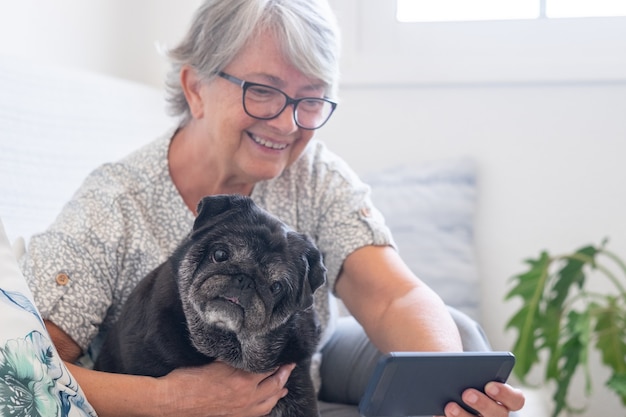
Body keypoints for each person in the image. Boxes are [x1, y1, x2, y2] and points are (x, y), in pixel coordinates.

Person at [20, 0, 526, 416]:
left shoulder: (317, 175)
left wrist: (450, 393)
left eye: (310, 100)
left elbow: (392, 296)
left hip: (302, 374)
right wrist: (171, 398)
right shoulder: (115, 204)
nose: (286, 125)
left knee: (458, 338)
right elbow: (25, 366)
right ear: (195, 88)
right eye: (262, 92)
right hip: (156, 394)